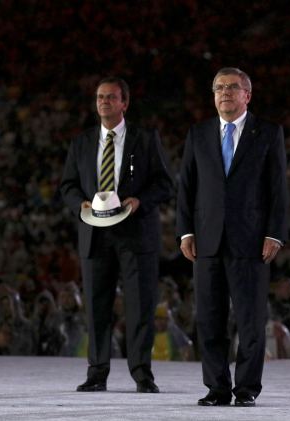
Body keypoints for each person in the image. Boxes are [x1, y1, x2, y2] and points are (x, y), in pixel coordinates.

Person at [176, 67, 288, 407]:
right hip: (207, 241)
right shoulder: (198, 134)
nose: (225, 92)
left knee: (251, 322)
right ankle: (217, 388)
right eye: (219, 88)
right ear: (213, 95)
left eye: (233, 87)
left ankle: (246, 389)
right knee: (209, 320)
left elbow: (278, 189)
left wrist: (274, 234)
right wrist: (186, 231)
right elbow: (186, 187)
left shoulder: (268, 132)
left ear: (247, 95)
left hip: (252, 241)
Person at [60, 76, 173, 392]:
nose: (104, 102)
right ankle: (97, 373)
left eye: (111, 97)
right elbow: (67, 185)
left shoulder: (146, 139)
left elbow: (164, 184)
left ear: (125, 102)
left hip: (136, 232)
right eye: (100, 97)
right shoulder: (81, 142)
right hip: (95, 233)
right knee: (96, 307)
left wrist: (141, 200)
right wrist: (78, 203)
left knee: (140, 306)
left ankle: (141, 373)